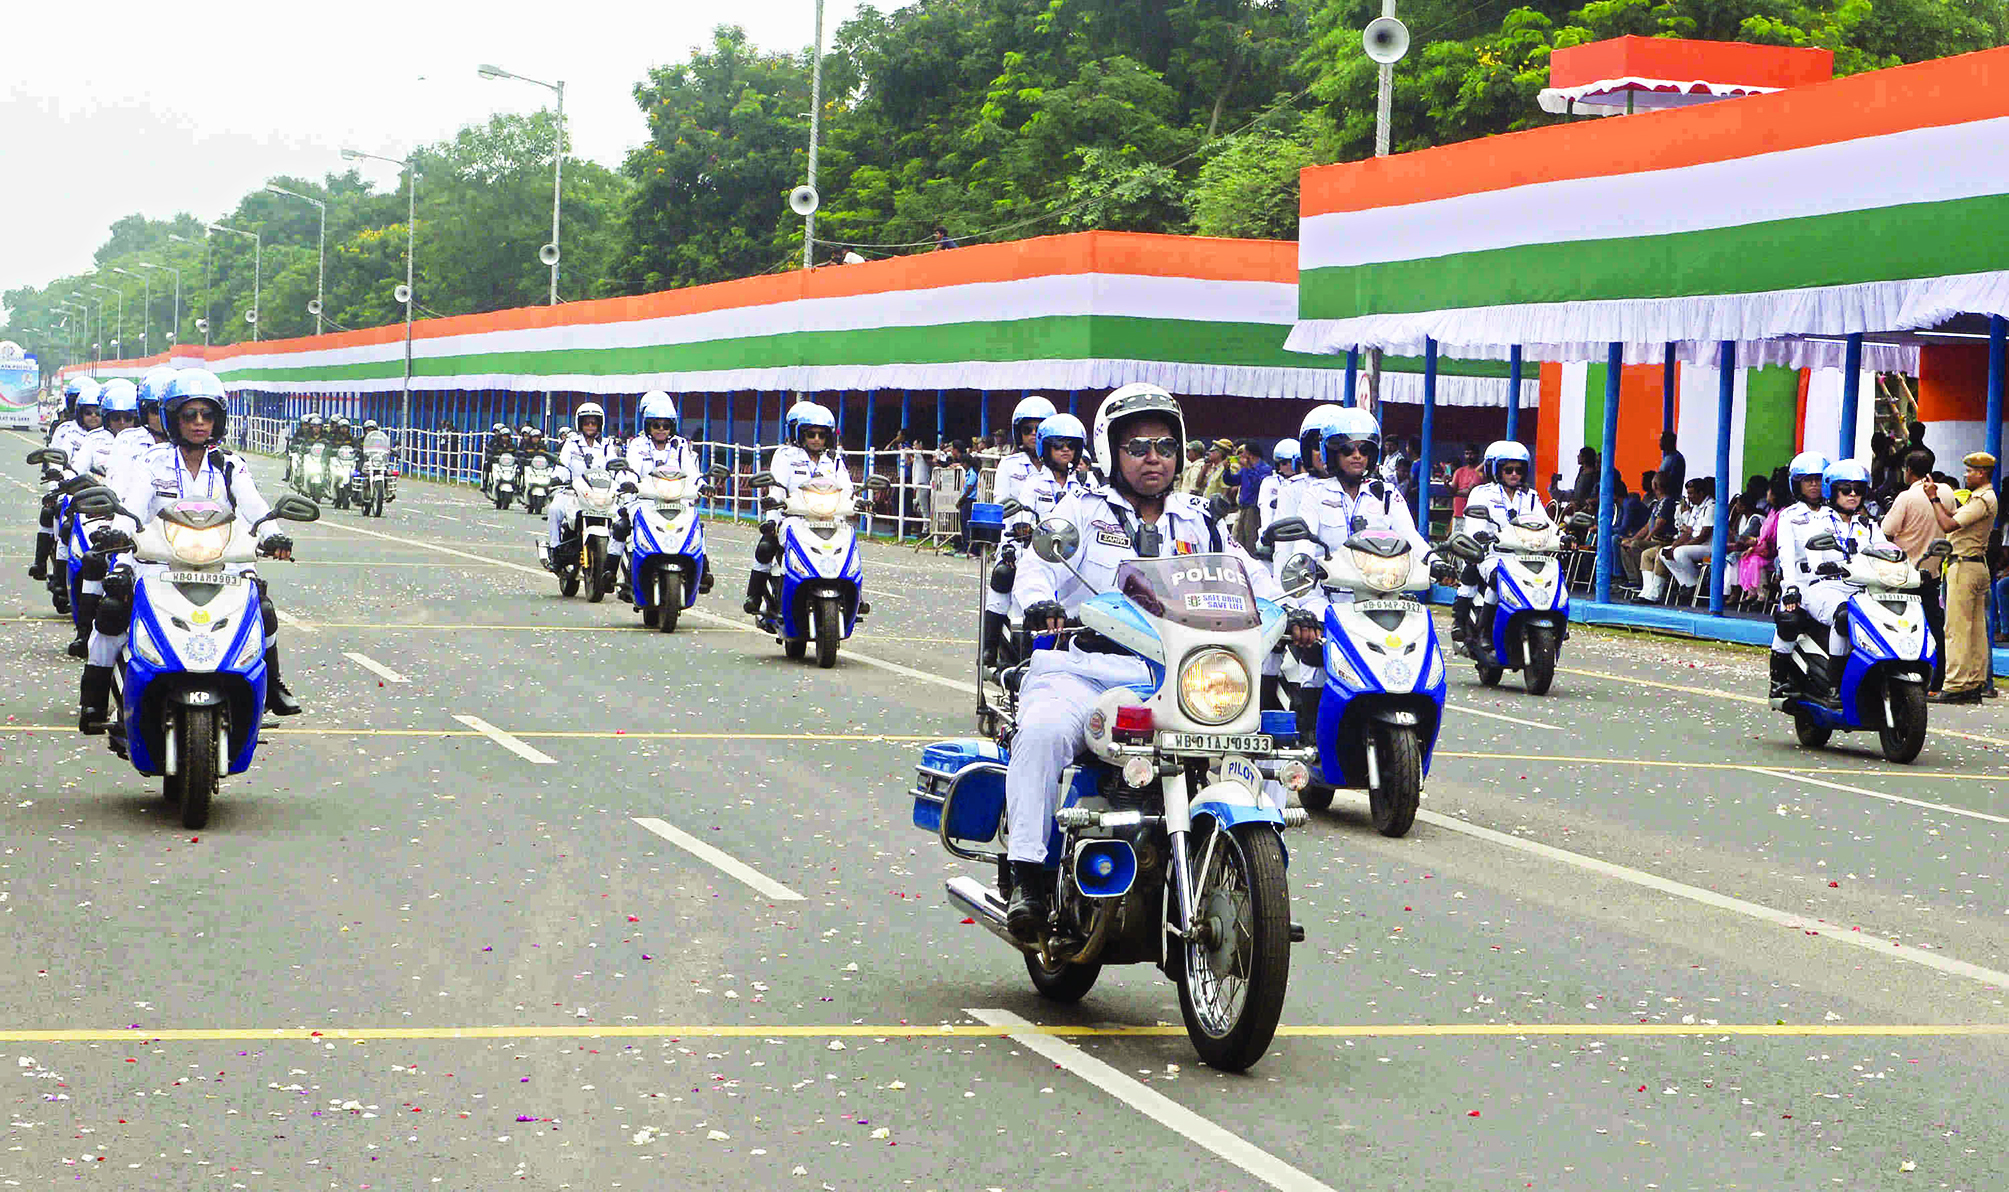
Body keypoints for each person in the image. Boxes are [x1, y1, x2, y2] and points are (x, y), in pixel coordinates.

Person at [1002, 383, 1303, 941]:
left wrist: (1295, 608)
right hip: (1085, 671)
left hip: (1176, 678)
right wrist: (1037, 604)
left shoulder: (1198, 520)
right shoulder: (1082, 512)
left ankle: (1263, 879)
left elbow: (1248, 575)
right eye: (1138, 446)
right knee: (1042, 733)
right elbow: (1036, 563)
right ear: (1113, 451)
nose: (1153, 459)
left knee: (1260, 745)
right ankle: (1028, 876)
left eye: (1165, 447)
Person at [79, 370, 299, 733]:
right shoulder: (152, 462)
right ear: (173, 419)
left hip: (218, 560)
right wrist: (118, 529)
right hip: (155, 559)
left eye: (207, 414)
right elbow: (133, 505)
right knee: (112, 608)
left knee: (262, 606)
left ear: (218, 419)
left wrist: (275, 534)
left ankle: (272, 685)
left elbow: (255, 507)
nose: (199, 423)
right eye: (189, 415)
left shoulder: (230, 464)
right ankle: (94, 697)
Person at [1770, 456, 1880, 705]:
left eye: (1819, 480)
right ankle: (1779, 679)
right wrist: (1791, 589)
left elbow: (1877, 547)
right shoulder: (1791, 516)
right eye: (1808, 481)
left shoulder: (1851, 518)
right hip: (1804, 581)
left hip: (1847, 581)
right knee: (1789, 621)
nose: (1814, 486)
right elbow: (1787, 555)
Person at [745, 402, 850, 616]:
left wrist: (860, 500)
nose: (817, 439)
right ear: (800, 434)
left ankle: (852, 597)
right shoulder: (787, 456)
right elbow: (778, 486)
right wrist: (772, 504)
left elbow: (847, 487)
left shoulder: (834, 461)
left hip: (829, 519)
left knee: (849, 545)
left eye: (822, 435)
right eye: (811, 434)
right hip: (795, 517)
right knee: (766, 547)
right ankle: (755, 595)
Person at [983, 396, 1059, 670]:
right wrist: (1009, 544)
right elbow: (1003, 505)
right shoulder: (1010, 465)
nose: (1033, 436)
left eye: (1040, 430)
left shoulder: (1063, 464)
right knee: (1002, 579)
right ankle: (989, 647)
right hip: (1018, 543)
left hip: (1057, 547)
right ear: (1019, 433)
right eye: (1028, 430)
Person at [1453, 440, 1545, 663]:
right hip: (1491, 555)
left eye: (1519, 470)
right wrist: (1481, 536)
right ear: (1496, 469)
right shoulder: (1481, 493)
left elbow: (1545, 522)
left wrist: (1562, 536)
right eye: (1508, 469)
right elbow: (1474, 524)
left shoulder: (1530, 496)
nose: (1514, 474)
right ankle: (1484, 630)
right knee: (1498, 577)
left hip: (1522, 557)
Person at [1925, 452, 1998, 703]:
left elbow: (1947, 525)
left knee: (1955, 628)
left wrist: (1933, 497)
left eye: (1969, 471)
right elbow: (1955, 519)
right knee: (1975, 630)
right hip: (1977, 566)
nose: (1965, 475)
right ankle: (1973, 682)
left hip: (1964, 567)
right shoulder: (1985, 498)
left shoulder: (1981, 499)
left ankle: (1955, 684)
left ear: (1981, 473)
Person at [1880, 447, 1953, 693]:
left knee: (1900, 627)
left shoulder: (1906, 498)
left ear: (1908, 470)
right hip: (1933, 573)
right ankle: (1938, 679)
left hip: (1905, 575)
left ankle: (1902, 677)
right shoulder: (1945, 491)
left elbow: (1886, 532)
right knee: (1935, 627)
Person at [544, 402, 617, 566]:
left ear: (600, 424)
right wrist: (557, 477)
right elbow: (562, 464)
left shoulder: (606, 446)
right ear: (580, 424)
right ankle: (555, 550)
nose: (590, 426)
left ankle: (616, 559)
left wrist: (621, 479)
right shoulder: (572, 443)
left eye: (594, 423)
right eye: (586, 422)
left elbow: (613, 465)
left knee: (621, 517)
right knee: (555, 510)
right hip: (573, 492)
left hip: (599, 494)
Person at [1657, 476, 1717, 603]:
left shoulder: (1711, 506)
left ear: (1701, 493)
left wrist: (1679, 548)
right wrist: (1674, 545)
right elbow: (1688, 532)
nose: (1688, 496)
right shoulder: (1696, 507)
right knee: (1663, 552)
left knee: (1680, 553)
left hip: (1709, 547)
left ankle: (1695, 586)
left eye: (1691, 493)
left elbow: (1703, 536)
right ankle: (1688, 584)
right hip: (1695, 546)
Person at [1233, 442, 1271, 553]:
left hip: (1253, 509)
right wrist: (1226, 470)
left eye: (1243, 452)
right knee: (1237, 538)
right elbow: (1232, 480)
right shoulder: (1244, 469)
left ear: (1249, 454)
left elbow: (1258, 485)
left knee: (1250, 538)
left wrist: (1249, 469)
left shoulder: (1265, 469)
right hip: (1242, 507)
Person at [1257, 439, 1300, 537]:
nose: (1289, 466)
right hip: (1275, 534)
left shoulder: (1308, 482)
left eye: (1292, 462)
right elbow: (1266, 512)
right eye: (1284, 463)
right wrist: (1266, 534)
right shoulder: (1270, 483)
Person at [1450, 444, 1484, 520]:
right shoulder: (1459, 471)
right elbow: (1452, 489)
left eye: (1471, 454)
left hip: (1475, 514)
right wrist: (1446, 484)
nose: (1469, 456)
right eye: (1467, 454)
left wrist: (1454, 492)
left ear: (1477, 455)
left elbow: (1469, 492)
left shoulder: (1481, 472)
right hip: (1459, 513)